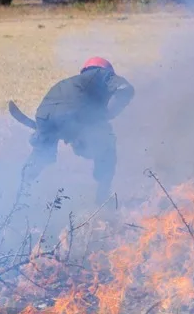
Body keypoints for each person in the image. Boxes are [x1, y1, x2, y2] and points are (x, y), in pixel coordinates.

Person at [21, 57, 135, 204]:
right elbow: (126, 88)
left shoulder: (71, 83)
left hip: (44, 115)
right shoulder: (101, 73)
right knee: (107, 145)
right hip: (74, 111)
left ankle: (18, 195)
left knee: (42, 155)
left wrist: (47, 130)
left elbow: (59, 108)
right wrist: (109, 113)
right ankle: (102, 198)